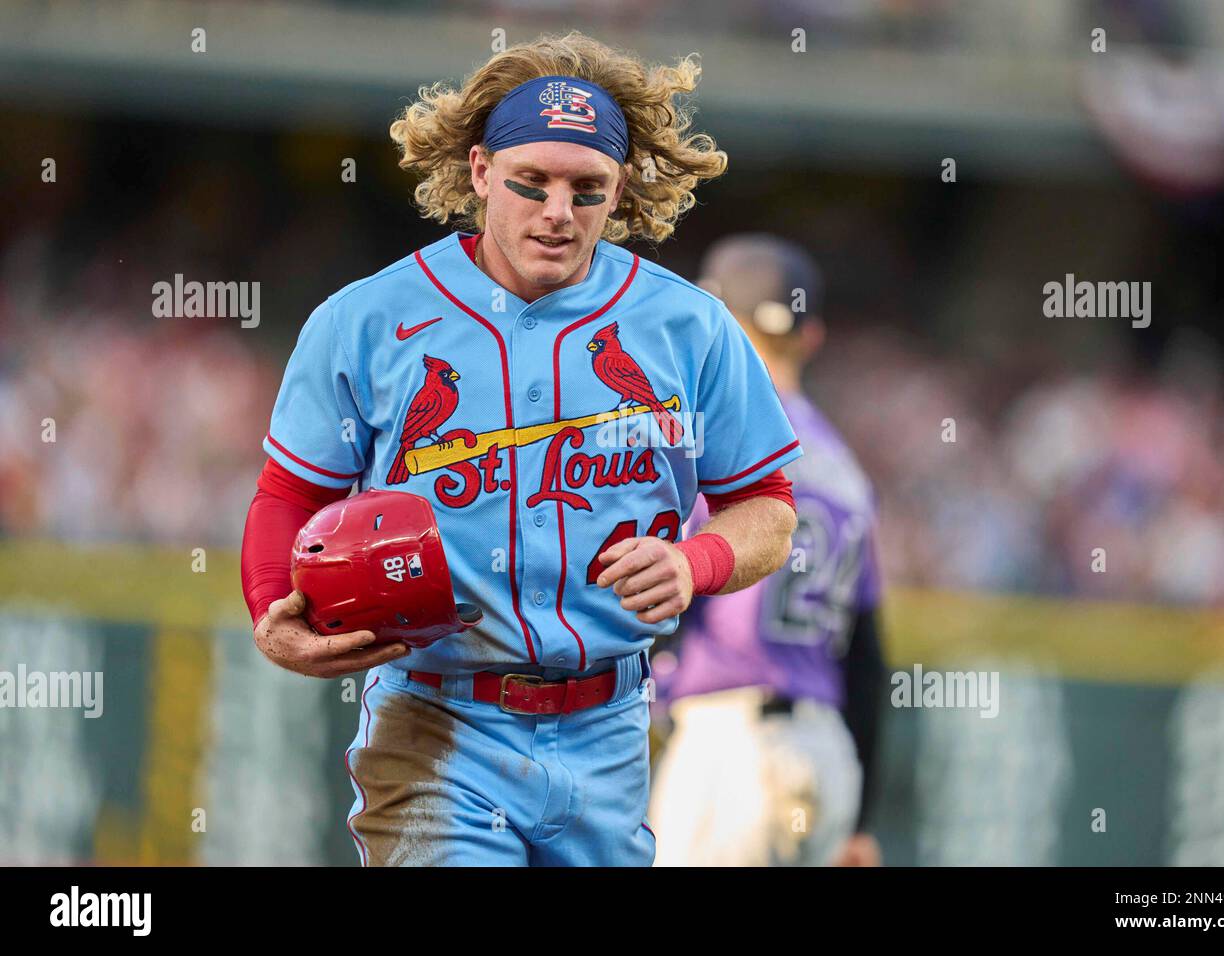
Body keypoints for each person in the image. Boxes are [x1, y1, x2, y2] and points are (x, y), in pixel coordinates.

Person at [239, 33, 802, 866]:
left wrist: (700, 562)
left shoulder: (690, 327)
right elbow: (291, 494)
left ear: (620, 190)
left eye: (588, 190)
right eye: (529, 184)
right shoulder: (364, 319)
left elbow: (770, 509)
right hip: (436, 716)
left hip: (613, 728)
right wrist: (267, 610)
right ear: (478, 172)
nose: (556, 213)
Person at [648, 234, 888, 867]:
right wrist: (860, 817)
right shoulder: (847, 469)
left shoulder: (712, 433)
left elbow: (654, 589)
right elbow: (868, 657)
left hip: (731, 749)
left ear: (712, 319)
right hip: (826, 752)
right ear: (811, 338)